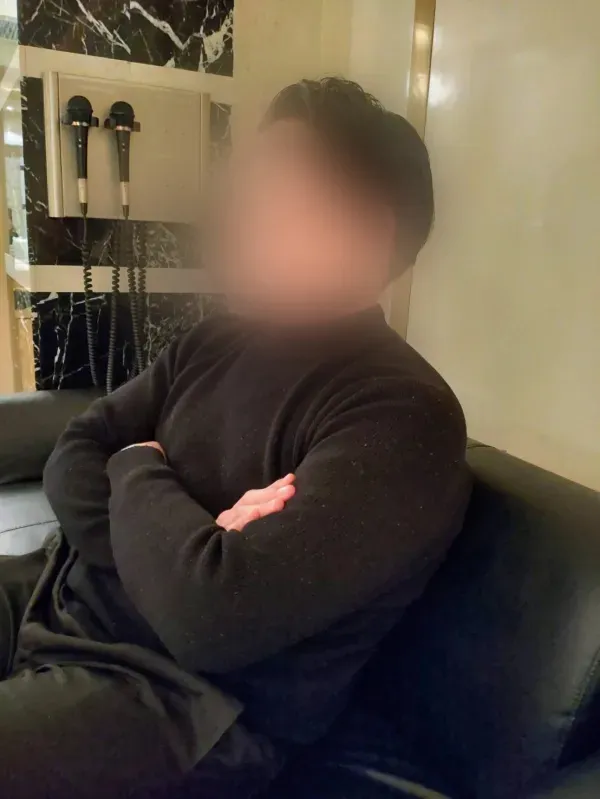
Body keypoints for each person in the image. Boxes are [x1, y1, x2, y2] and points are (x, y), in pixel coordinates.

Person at [0, 78, 471, 798]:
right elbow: (74, 456)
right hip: (57, 594)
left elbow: (210, 620)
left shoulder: (402, 415)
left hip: (179, 703)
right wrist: (178, 551)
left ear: (366, 236)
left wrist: (137, 466)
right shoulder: (215, 338)